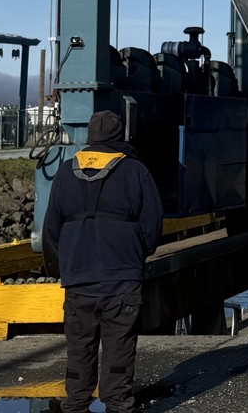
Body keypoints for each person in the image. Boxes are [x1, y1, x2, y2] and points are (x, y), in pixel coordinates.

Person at [44, 110, 163, 413]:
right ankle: (118, 403)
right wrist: (135, 254)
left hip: (78, 279)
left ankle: (76, 404)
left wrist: (71, 260)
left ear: (90, 136)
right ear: (119, 136)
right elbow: (152, 226)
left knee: (79, 347)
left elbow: (52, 229)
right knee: (119, 345)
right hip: (122, 278)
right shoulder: (136, 171)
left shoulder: (65, 172)